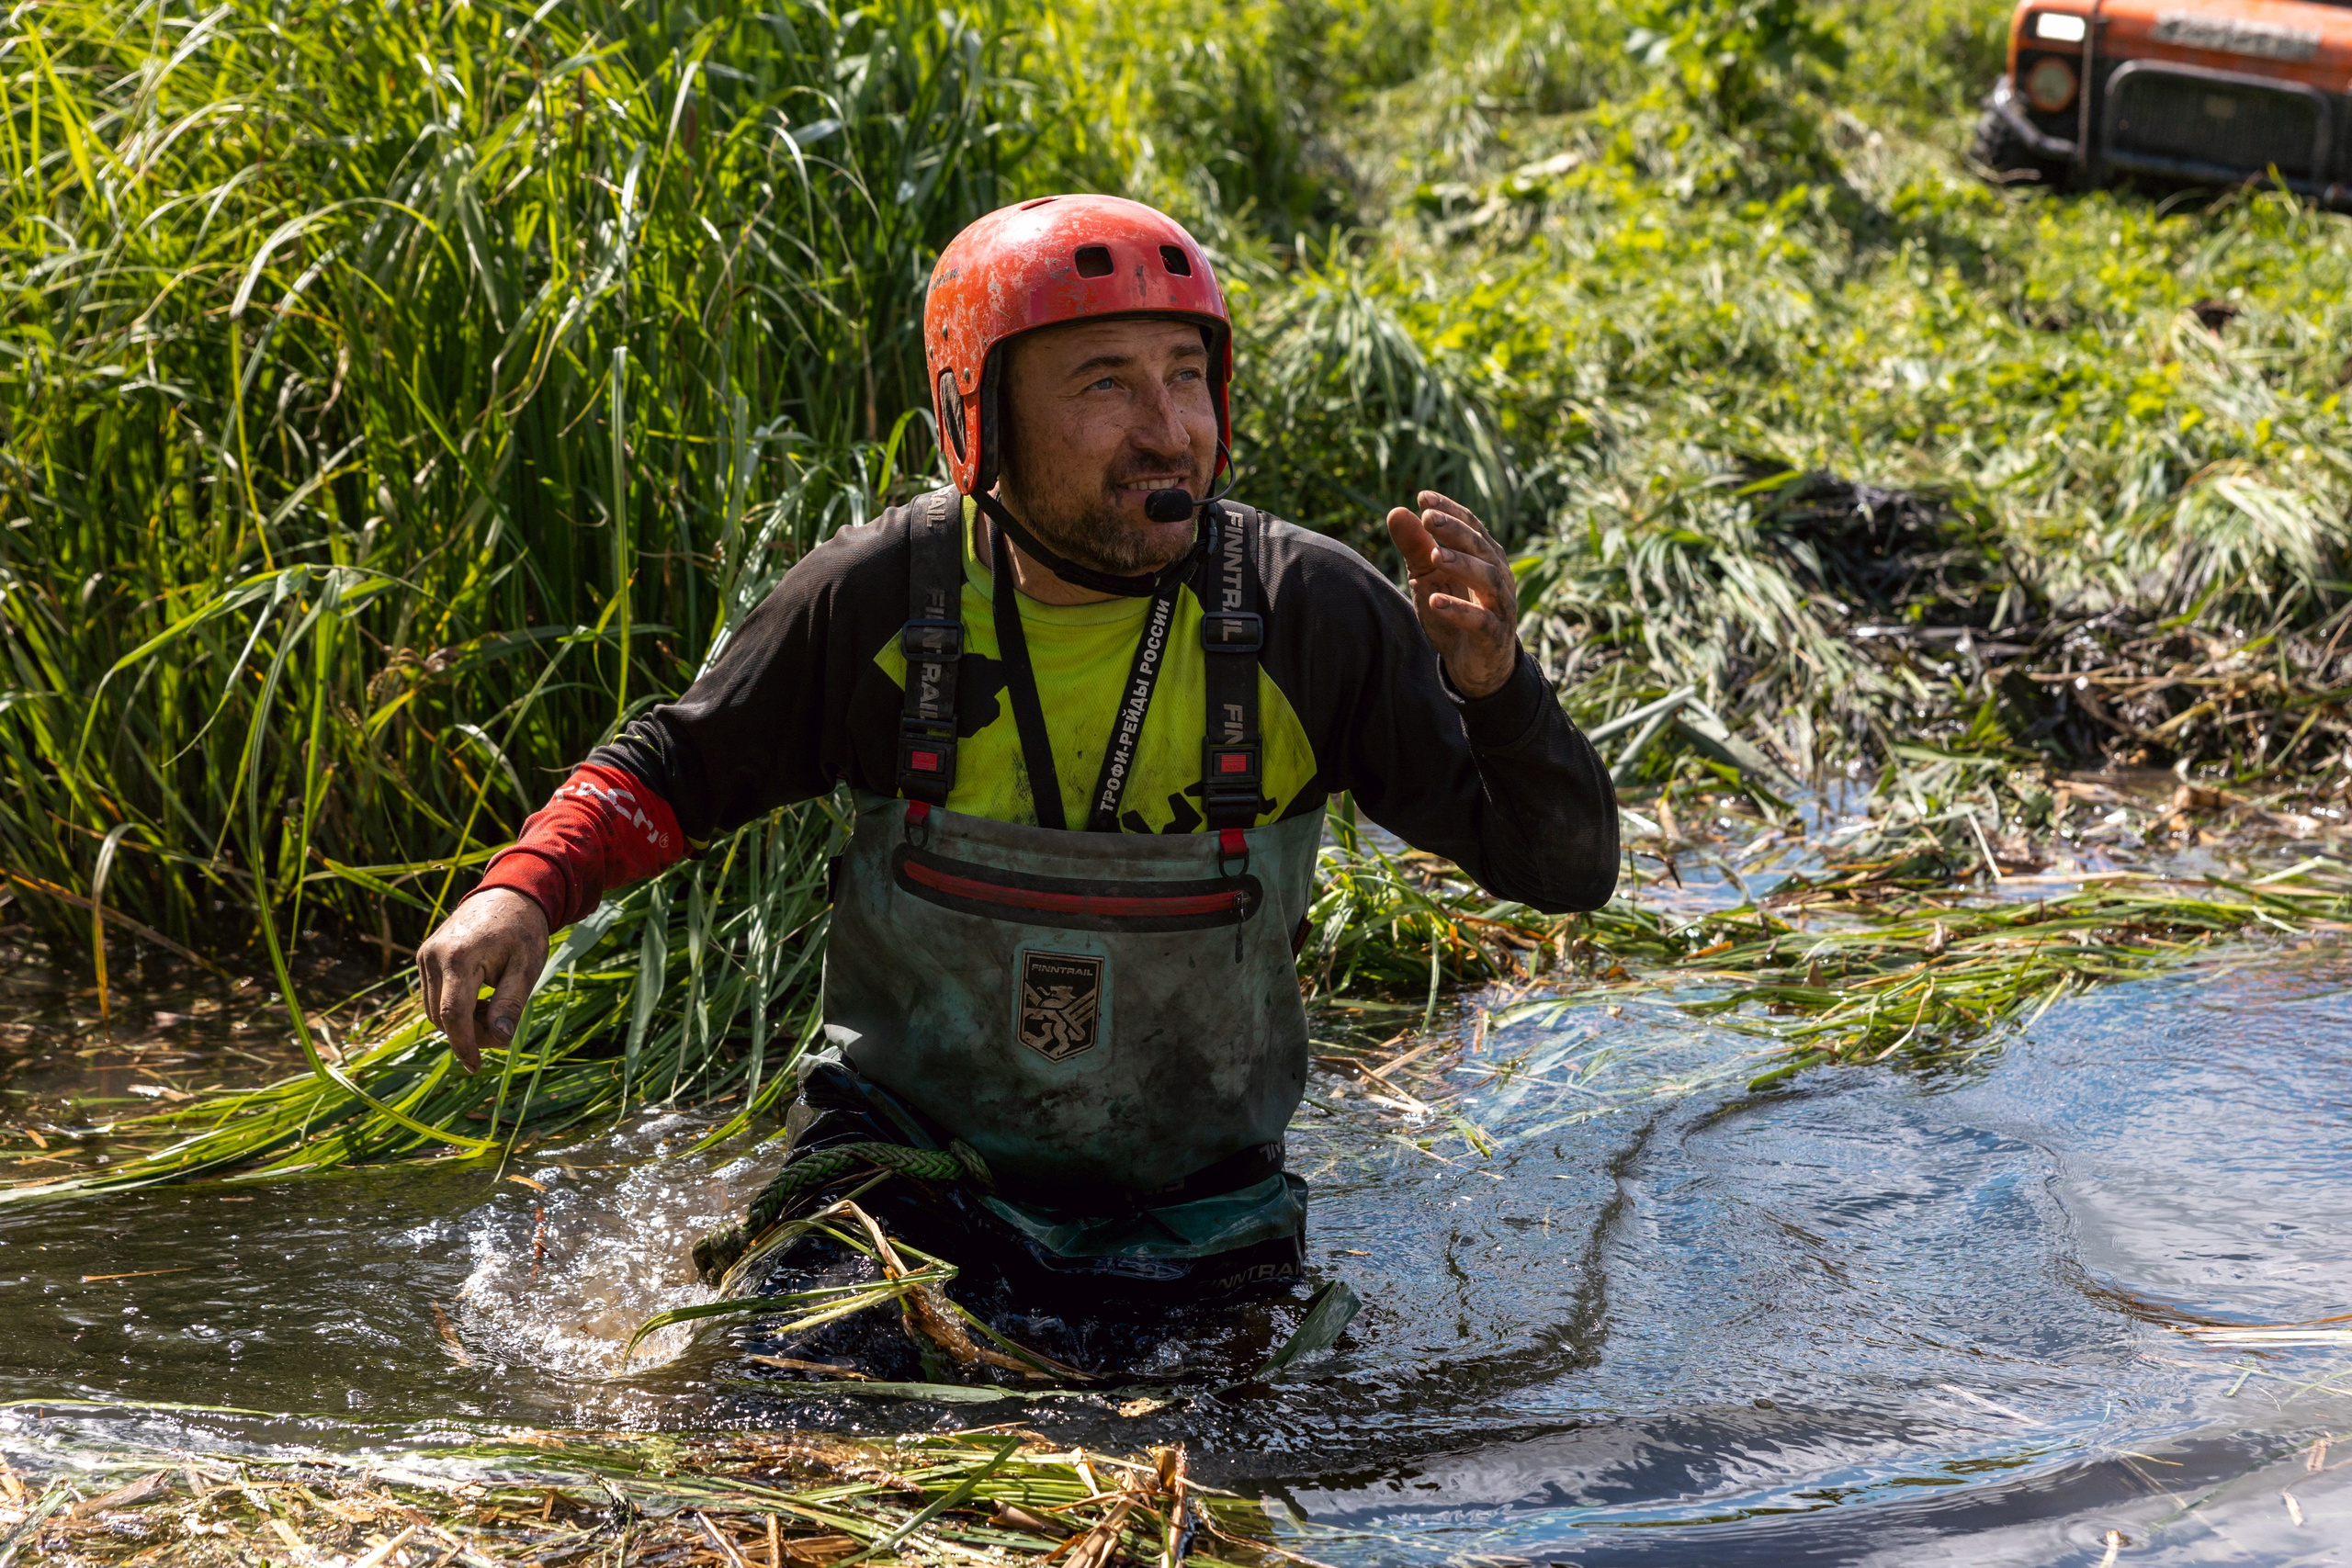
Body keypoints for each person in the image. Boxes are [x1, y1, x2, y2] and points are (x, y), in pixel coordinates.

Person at [416, 194, 1618, 1304]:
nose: (1168, 433)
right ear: (973, 420)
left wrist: (1497, 688)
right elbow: (669, 770)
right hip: (895, 1188)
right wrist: (522, 893)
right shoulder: (885, 598)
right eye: (1106, 385)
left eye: (1187, 379)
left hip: (1200, 1215)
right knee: (790, 1436)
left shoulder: (1312, 616)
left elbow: (1562, 871)